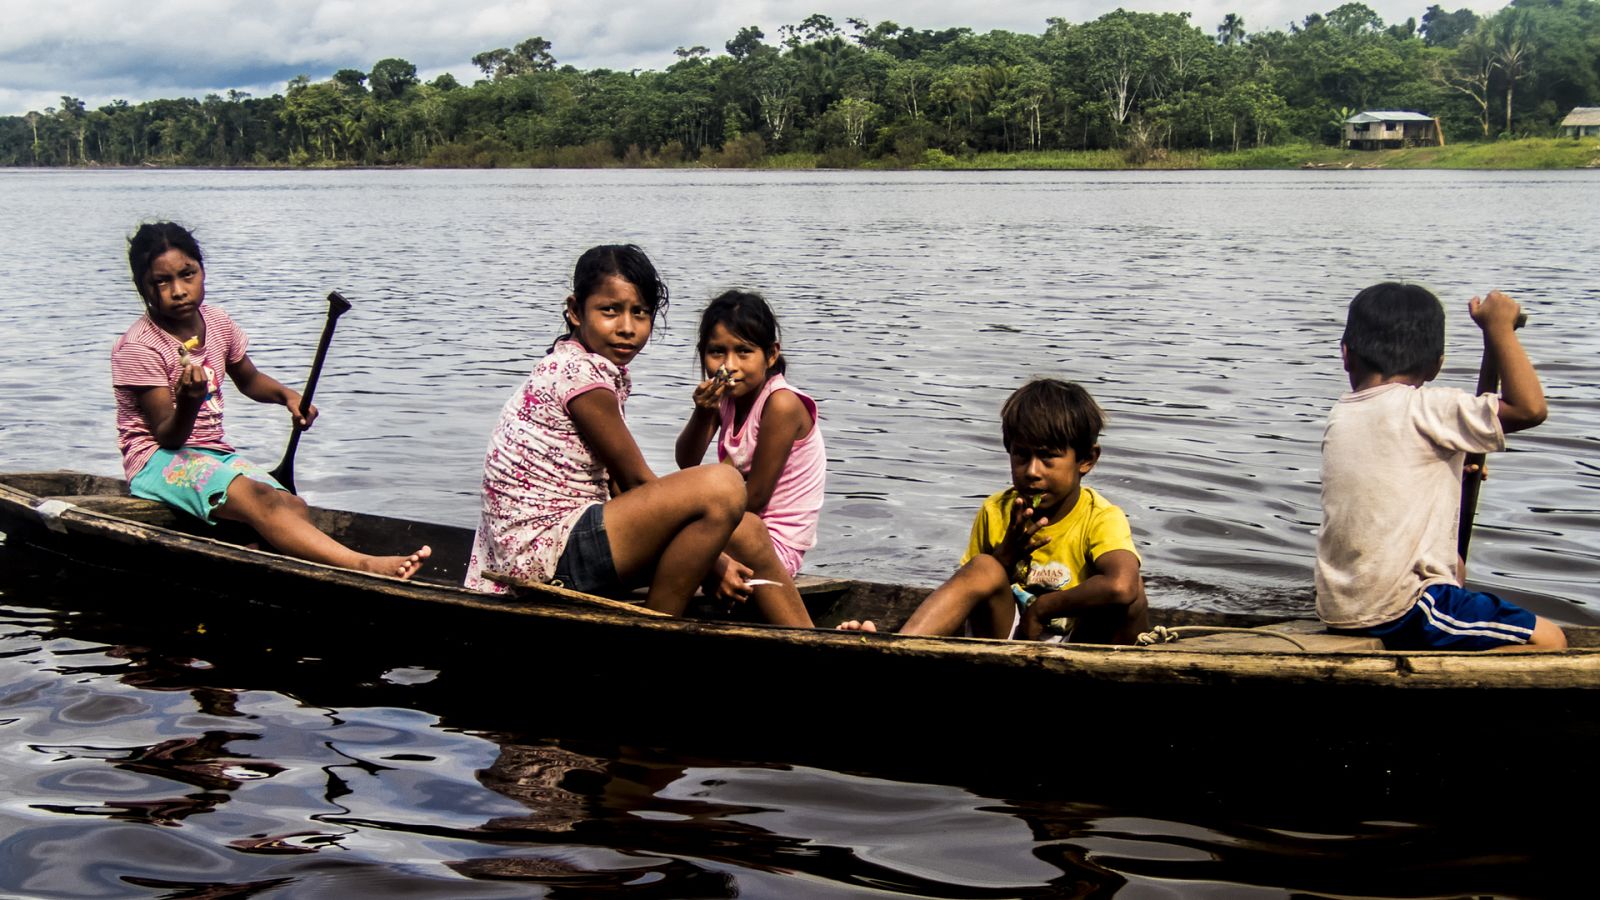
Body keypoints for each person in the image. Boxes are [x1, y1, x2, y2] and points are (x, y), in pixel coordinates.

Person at [464, 245, 812, 626]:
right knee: (724, 486)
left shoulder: (582, 367)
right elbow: (634, 480)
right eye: (609, 311)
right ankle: (655, 631)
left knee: (744, 526)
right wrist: (716, 563)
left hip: (545, 546)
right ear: (576, 311)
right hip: (544, 556)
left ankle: (812, 642)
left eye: (640, 313)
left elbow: (618, 482)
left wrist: (713, 555)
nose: (627, 327)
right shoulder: (581, 379)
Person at [111, 221, 430, 578]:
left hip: (212, 452)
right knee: (259, 499)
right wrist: (189, 402)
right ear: (143, 287)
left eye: (188, 275)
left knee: (293, 506)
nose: (179, 291)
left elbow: (249, 379)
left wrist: (288, 397)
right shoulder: (140, 346)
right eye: (161, 282)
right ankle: (363, 565)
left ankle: (253, 551)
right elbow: (168, 436)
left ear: (202, 270)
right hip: (156, 460)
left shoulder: (215, 322)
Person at [1316, 283, 1565, 650]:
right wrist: (1498, 328)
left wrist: (1452, 468)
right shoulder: (1429, 407)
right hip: (1401, 608)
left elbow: (1388, 478)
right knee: (1550, 641)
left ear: (1346, 355)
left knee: (1456, 569)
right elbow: (1529, 409)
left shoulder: (1344, 414)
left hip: (1343, 606)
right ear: (1437, 365)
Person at [840, 378, 1148, 643]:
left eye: (1047, 457)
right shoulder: (997, 511)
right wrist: (1006, 555)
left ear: (1086, 460)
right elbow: (968, 589)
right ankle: (898, 648)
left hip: (1078, 639)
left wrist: (1044, 608)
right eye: (1021, 455)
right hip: (1007, 636)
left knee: (1135, 595)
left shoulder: (1100, 516)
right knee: (984, 566)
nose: (1032, 471)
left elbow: (1121, 586)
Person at [674, 290, 825, 578]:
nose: (729, 366)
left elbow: (755, 497)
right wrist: (703, 411)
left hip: (771, 546)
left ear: (770, 355)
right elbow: (687, 461)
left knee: (672, 525)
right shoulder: (727, 399)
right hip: (736, 527)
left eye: (744, 352)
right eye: (717, 352)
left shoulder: (781, 404)